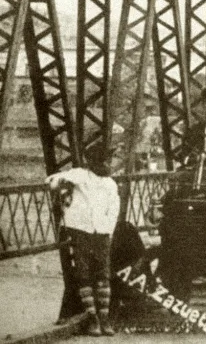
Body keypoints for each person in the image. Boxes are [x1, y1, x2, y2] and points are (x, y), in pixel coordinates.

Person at [45, 144, 121, 336]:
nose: (106, 164)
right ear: (92, 162)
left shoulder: (110, 184)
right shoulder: (80, 175)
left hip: (102, 232)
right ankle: (92, 318)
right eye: (102, 160)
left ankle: (104, 318)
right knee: (83, 274)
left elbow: (114, 210)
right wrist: (63, 183)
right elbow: (51, 181)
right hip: (81, 231)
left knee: (103, 274)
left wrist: (108, 231)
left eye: (107, 160)